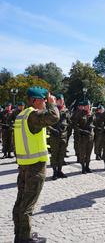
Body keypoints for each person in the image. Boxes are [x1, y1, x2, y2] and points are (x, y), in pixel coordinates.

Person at [13, 86, 59, 243]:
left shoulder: (21, 115)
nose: (45, 102)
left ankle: (19, 234)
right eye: (43, 100)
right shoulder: (32, 115)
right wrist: (53, 104)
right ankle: (24, 238)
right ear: (35, 101)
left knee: (21, 201)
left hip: (24, 165)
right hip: (34, 167)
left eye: (46, 100)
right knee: (28, 204)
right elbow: (53, 117)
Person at [48, 94, 70, 180]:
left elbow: (69, 122)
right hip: (54, 136)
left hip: (63, 136)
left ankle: (60, 170)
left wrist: (65, 127)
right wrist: (53, 130)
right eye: (60, 100)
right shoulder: (52, 110)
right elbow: (47, 124)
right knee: (54, 155)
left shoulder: (66, 110)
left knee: (61, 154)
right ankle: (54, 171)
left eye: (62, 100)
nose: (61, 101)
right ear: (56, 101)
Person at [75, 100, 95, 174]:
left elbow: (95, 124)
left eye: (89, 105)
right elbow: (75, 125)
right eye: (87, 105)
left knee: (89, 152)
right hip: (83, 137)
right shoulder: (79, 114)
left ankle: (87, 166)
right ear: (84, 106)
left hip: (90, 136)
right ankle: (83, 167)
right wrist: (82, 131)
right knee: (82, 153)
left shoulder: (91, 114)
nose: (88, 107)